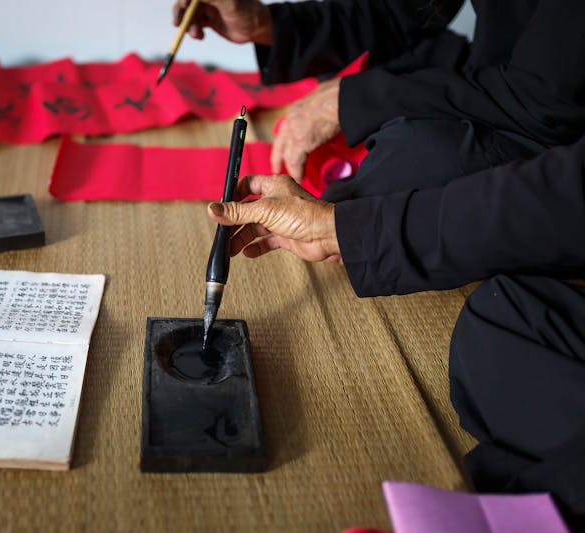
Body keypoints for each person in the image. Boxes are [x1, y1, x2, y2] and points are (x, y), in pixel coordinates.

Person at [173, 0, 585, 521]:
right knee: (502, 328)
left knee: (399, 180)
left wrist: (347, 225)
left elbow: (549, 109)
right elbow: (409, 11)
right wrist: (273, 26)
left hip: (543, 127)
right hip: (499, 93)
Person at [172, 0, 585, 201]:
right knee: (391, 61)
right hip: (496, 78)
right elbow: (397, 15)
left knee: (401, 168)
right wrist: (267, 24)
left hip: (554, 127)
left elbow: (544, 100)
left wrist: (353, 101)